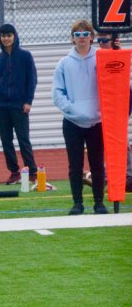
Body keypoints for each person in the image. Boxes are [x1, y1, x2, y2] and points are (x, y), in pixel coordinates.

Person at [52, 19, 107, 215]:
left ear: (92, 37)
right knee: (75, 165)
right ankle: (77, 203)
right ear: (73, 38)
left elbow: (113, 84)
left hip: (97, 122)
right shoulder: (64, 63)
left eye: (86, 34)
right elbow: (57, 94)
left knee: (97, 164)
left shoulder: (102, 58)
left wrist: (99, 110)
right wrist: (73, 110)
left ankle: (99, 203)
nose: (82, 38)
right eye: (78, 35)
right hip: (72, 122)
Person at [0, 23, 39, 185]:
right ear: (0, 38)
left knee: (23, 139)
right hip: (1, 106)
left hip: (19, 105)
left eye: (9, 35)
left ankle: (32, 171)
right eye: (3, 36)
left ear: (14, 37)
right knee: (6, 140)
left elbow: (32, 80)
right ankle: (14, 172)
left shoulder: (25, 56)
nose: (6, 38)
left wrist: (28, 101)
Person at [95, 32, 132, 193]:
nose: (102, 43)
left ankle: (128, 175)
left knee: (121, 141)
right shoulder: (96, 57)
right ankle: (104, 175)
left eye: (105, 40)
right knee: (101, 141)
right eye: (99, 40)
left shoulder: (119, 55)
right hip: (101, 105)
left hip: (118, 104)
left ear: (113, 41)